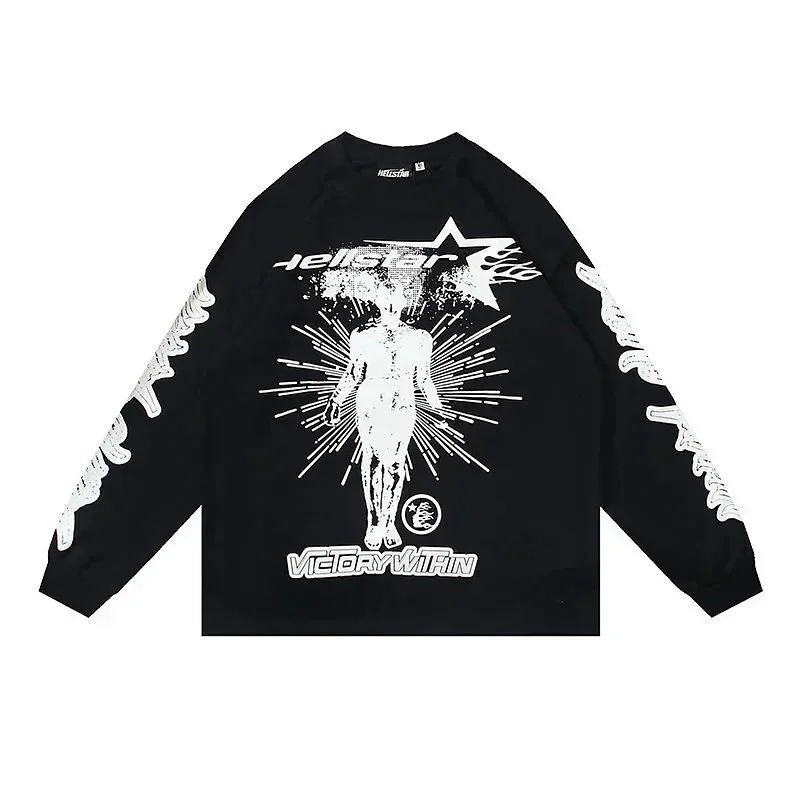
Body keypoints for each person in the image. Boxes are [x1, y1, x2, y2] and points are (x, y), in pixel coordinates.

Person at [324, 280, 446, 549]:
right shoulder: (363, 335)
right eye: (385, 298)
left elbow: (424, 378)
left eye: (395, 298)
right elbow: (355, 372)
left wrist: (437, 409)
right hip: (371, 400)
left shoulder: (420, 338)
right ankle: (373, 521)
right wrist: (336, 399)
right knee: (372, 459)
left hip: (402, 402)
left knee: (395, 464)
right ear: (378, 301)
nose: (390, 303)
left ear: (404, 302)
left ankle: (389, 521)